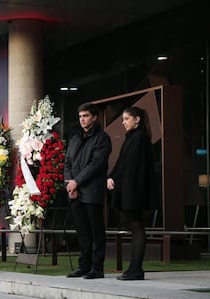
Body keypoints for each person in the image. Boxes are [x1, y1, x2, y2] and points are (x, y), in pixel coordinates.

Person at [65, 102, 111, 279]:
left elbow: (96, 165)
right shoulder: (75, 137)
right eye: (80, 116)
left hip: (92, 191)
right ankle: (83, 267)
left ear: (94, 117)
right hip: (75, 191)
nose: (82, 119)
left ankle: (97, 268)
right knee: (82, 231)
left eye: (85, 116)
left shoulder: (102, 138)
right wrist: (70, 184)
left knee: (96, 231)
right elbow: (67, 162)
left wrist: (77, 182)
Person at [107, 106, 154, 281]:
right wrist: (112, 177)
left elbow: (130, 166)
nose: (123, 122)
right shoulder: (133, 138)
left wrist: (115, 178)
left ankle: (136, 269)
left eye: (126, 118)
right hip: (130, 189)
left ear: (137, 119)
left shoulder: (139, 138)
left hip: (134, 191)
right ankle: (135, 268)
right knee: (134, 225)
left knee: (135, 225)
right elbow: (122, 163)